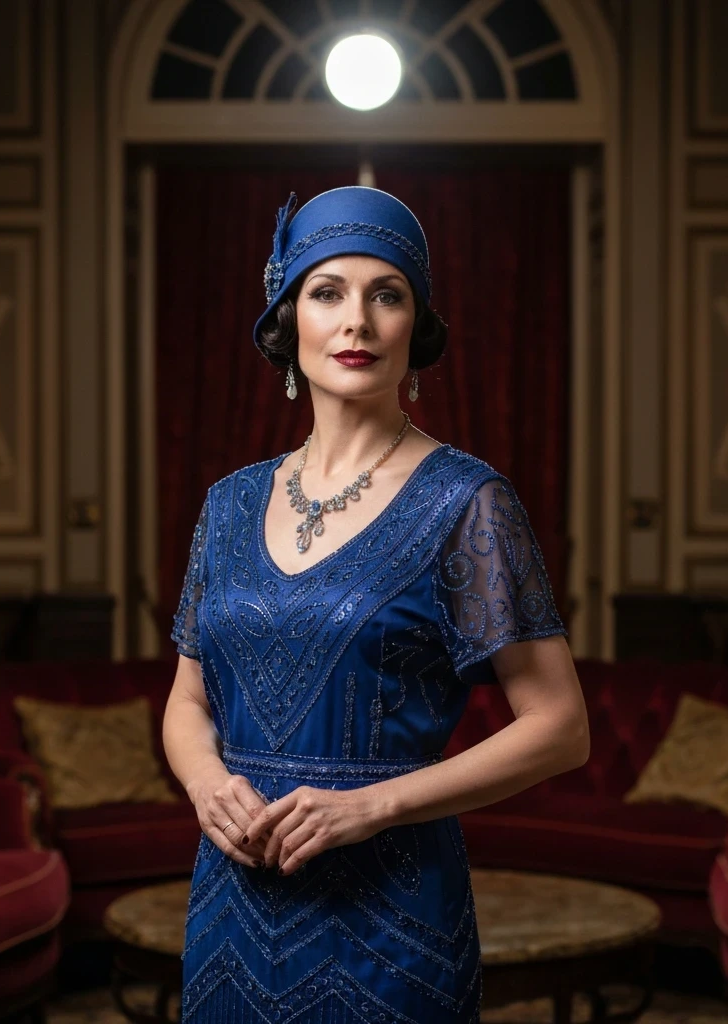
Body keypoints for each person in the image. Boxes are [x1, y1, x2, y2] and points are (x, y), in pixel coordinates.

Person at [162, 185, 589, 1023]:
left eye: (385, 295)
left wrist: (371, 805)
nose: (356, 321)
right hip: (231, 911)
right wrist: (207, 782)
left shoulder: (467, 503)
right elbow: (187, 700)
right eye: (327, 293)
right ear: (289, 320)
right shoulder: (229, 503)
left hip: (391, 924)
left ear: (413, 326)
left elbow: (560, 727)